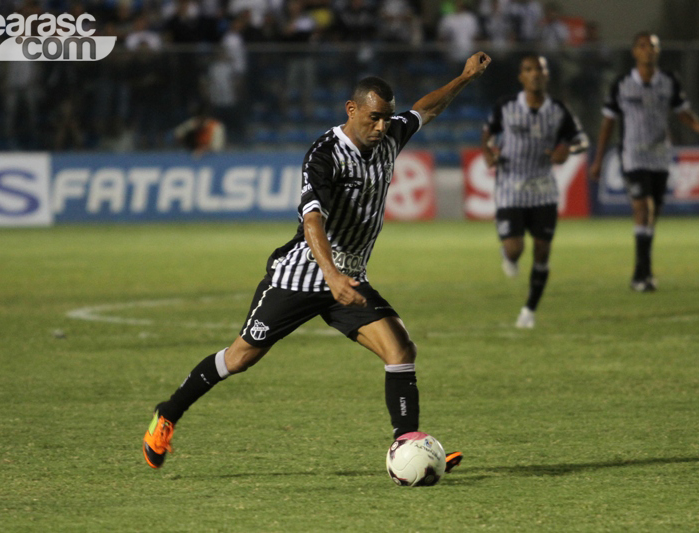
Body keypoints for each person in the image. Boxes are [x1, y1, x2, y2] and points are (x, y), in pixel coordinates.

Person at [143, 51, 492, 472]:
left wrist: (464, 77)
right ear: (352, 109)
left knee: (401, 348)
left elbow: (426, 108)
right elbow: (312, 219)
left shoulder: (390, 134)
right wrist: (331, 276)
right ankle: (167, 415)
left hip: (348, 278)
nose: (382, 126)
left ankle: (408, 445)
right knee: (240, 358)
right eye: (374, 117)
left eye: (387, 118)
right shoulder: (324, 154)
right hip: (301, 275)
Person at [589, 32, 699, 292]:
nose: (649, 50)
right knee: (642, 208)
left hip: (659, 156)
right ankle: (640, 273)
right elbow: (608, 123)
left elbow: (682, 112)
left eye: (653, 47)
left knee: (653, 214)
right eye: (643, 46)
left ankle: (643, 270)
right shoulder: (622, 84)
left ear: (658, 52)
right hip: (632, 155)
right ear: (634, 52)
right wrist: (598, 159)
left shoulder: (668, 82)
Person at [480, 54, 587, 328]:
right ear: (521, 77)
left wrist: (567, 150)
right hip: (511, 187)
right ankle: (508, 253)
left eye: (540, 69)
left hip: (543, 189)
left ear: (546, 75)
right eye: (529, 69)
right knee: (516, 250)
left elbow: (581, 141)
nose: (535, 74)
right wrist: (488, 153)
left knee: (542, 250)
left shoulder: (559, 110)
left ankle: (529, 310)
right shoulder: (507, 106)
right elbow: (487, 133)